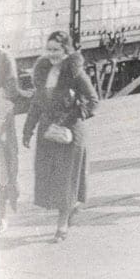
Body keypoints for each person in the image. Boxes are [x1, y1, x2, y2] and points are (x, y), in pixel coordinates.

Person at [22, 31, 99, 241]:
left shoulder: (75, 72)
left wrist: (72, 116)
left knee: (65, 179)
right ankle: (71, 206)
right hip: (48, 132)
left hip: (70, 133)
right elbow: (37, 103)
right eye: (49, 50)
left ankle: (62, 225)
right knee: (51, 178)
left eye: (56, 50)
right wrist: (27, 130)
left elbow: (93, 101)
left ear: (66, 50)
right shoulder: (42, 70)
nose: (52, 54)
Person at [0, 49, 24, 233]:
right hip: (0, 111)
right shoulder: (4, 56)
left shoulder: (3, 57)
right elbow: (13, 92)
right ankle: (0, 216)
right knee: (3, 164)